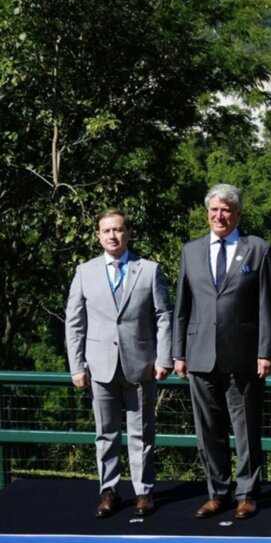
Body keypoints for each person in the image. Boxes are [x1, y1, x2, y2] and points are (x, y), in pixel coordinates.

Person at [173, 184, 271, 520]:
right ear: (208, 213)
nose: (221, 216)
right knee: (208, 430)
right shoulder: (190, 251)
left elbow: (267, 305)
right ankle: (216, 492)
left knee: (246, 428)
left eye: (227, 210)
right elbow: (182, 306)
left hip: (245, 355)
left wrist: (266, 351)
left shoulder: (257, 249)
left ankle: (246, 493)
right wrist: (179, 352)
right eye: (215, 210)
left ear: (238, 214)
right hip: (199, 354)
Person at [65, 210, 173, 518]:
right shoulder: (84, 272)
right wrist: (77, 365)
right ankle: (109, 490)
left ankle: (143, 492)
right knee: (106, 432)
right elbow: (74, 322)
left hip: (141, 365)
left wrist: (163, 357)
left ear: (129, 233)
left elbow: (164, 316)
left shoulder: (149, 270)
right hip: (99, 366)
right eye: (106, 231)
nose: (112, 235)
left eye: (118, 230)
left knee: (142, 432)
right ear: (98, 235)